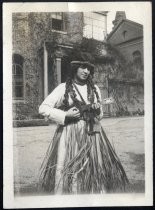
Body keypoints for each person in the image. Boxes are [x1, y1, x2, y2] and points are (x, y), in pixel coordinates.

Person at [38, 52, 129, 194]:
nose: (86, 71)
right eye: (83, 67)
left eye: (89, 69)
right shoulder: (63, 88)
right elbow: (43, 108)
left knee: (93, 166)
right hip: (70, 132)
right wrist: (65, 115)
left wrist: (97, 111)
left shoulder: (95, 89)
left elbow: (100, 116)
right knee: (70, 167)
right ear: (75, 68)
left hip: (93, 133)